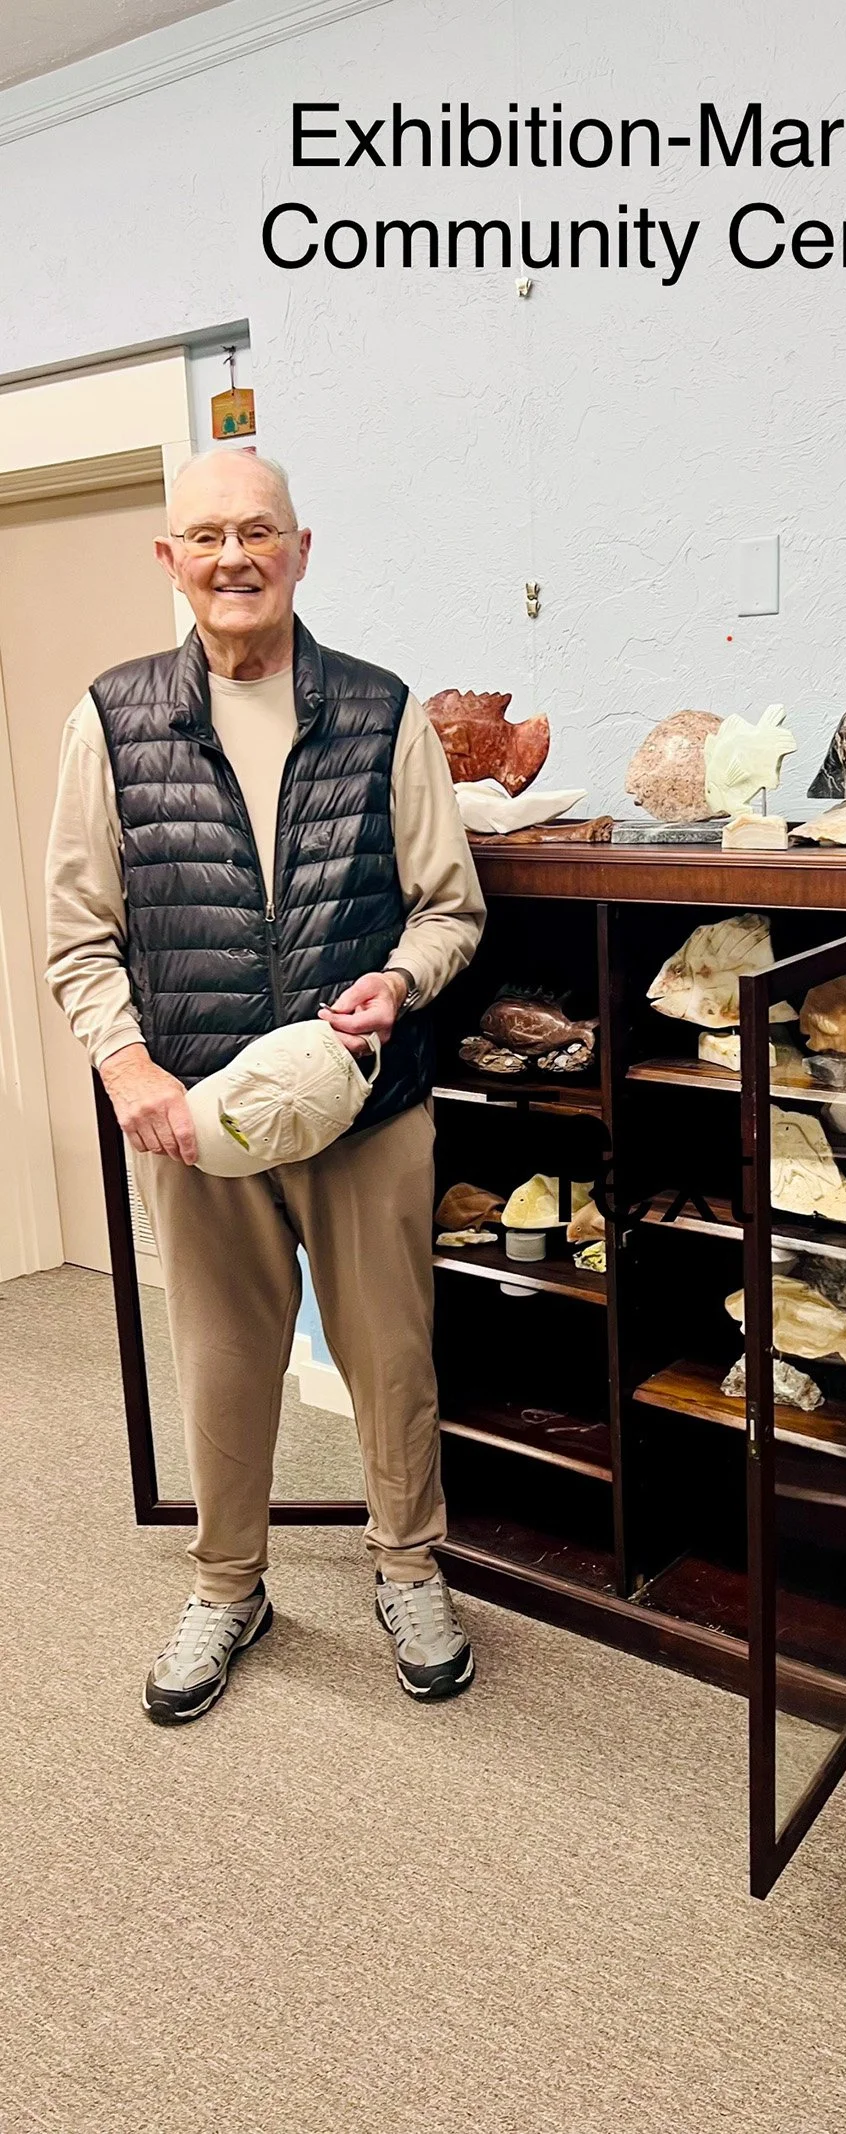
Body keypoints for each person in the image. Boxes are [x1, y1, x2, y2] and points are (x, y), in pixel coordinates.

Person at [45, 449, 485, 1722]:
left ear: (302, 548)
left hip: (365, 1101)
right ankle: (228, 1584)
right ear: (169, 559)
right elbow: (79, 932)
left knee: (391, 1356)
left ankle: (407, 1566)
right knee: (224, 1359)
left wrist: (401, 981)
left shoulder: (381, 709)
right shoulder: (111, 717)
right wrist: (128, 1065)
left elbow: (448, 907)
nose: (233, 555)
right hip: (195, 1118)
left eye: (259, 531)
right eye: (207, 535)